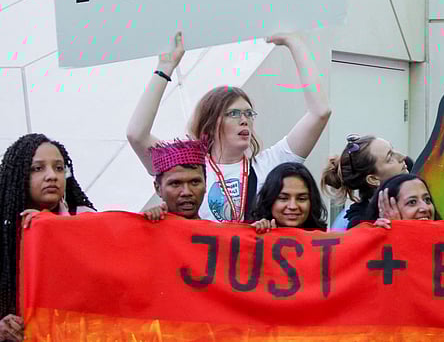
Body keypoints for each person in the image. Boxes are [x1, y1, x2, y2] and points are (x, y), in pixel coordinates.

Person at [127, 31, 331, 222]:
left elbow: (320, 112)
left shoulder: (270, 164)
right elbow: (136, 134)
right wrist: (165, 67)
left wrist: (294, 43)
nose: (245, 120)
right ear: (210, 121)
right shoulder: (187, 167)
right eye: (234, 114)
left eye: (248, 113)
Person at [0, 134, 95, 342]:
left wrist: (152, 223)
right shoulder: (5, 236)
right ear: (17, 175)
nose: (52, 176)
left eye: (59, 168)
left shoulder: (87, 219)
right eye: (37, 168)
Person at [321, 134, 408, 229]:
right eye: (390, 157)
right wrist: (396, 228)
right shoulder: (360, 224)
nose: (402, 156)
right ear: (373, 179)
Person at [142, 138, 209, 221]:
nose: (186, 192)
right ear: (158, 188)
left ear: (205, 184)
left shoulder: (221, 232)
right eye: (175, 183)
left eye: (194, 182)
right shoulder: (146, 229)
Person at [250, 162, 327, 232]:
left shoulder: (324, 243)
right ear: (269, 200)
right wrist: (253, 234)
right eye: (283, 198)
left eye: (301, 199)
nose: (293, 206)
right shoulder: (255, 238)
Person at [362, 173, 441, 228]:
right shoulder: (372, 246)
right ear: (387, 209)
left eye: (427, 199)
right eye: (412, 202)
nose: (425, 208)